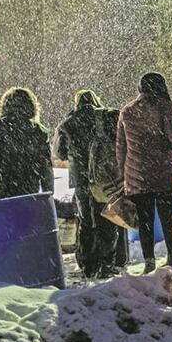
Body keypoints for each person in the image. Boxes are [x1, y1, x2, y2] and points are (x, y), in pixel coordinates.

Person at [116, 73, 172, 274]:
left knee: (145, 219)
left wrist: (123, 173)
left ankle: (149, 260)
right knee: (167, 216)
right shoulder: (165, 106)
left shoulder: (127, 110)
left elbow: (121, 145)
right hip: (163, 171)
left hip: (137, 174)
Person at [55, 90, 103, 276]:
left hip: (80, 177)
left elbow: (60, 153)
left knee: (86, 219)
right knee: (106, 216)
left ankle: (87, 262)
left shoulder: (67, 124)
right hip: (104, 176)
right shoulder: (104, 117)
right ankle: (108, 259)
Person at [0, 87, 54, 200]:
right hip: (30, 190)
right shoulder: (39, 131)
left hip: (3, 189)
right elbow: (46, 167)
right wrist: (48, 192)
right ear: (32, 106)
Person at [85, 107, 126, 277]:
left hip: (97, 192)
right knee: (115, 229)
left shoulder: (96, 141)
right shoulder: (118, 141)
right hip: (116, 190)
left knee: (102, 229)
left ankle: (99, 263)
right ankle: (111, 263)